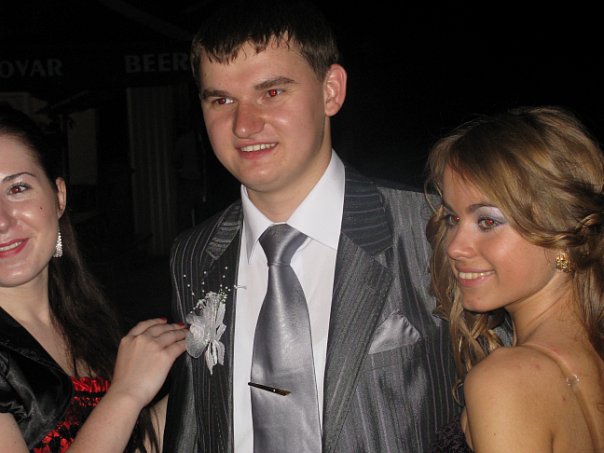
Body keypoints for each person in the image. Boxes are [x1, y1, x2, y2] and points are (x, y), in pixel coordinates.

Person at [162, 0, 459, 451]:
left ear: (330, 91)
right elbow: (195, 425)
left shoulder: (432, 228)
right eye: (222, 100)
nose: (244, 125)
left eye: (271, 92)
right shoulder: (194, 253)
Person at [0, 103, 187, 452]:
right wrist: (127, 392)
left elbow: (133, 442)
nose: (2, 220)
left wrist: (210, 372)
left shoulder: (83, 317)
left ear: (59, 196)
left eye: (18, 189)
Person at [426, 105, 604, 452]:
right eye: (452, 218)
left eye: (487, 222)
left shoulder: (505, 380)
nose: (455, 248)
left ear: (561, 231)